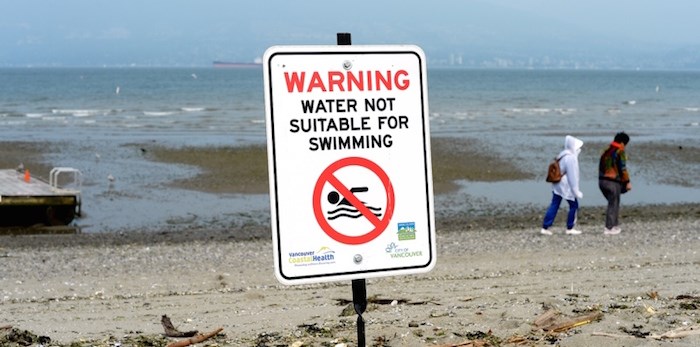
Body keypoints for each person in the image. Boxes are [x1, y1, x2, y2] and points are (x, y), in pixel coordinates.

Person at [541, 135, 584, 235]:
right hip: (566, 185)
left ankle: (545, 227)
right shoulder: (571, 158)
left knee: (554, 204)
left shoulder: (562, 155)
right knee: (574, 205)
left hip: (557, 184)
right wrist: (576, 191)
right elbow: (572, 176)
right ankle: (570, 228)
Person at [598, 132, 631, 235]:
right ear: (622, 142)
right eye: (625, 144)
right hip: (613, 181)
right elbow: (622, 168)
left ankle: (614, 225)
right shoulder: (619, 152)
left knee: (612, 203)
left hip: (601, 181)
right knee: (614, 204)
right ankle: (609, 227)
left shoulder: (605, 150)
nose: (625, 147)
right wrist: (627, 182)